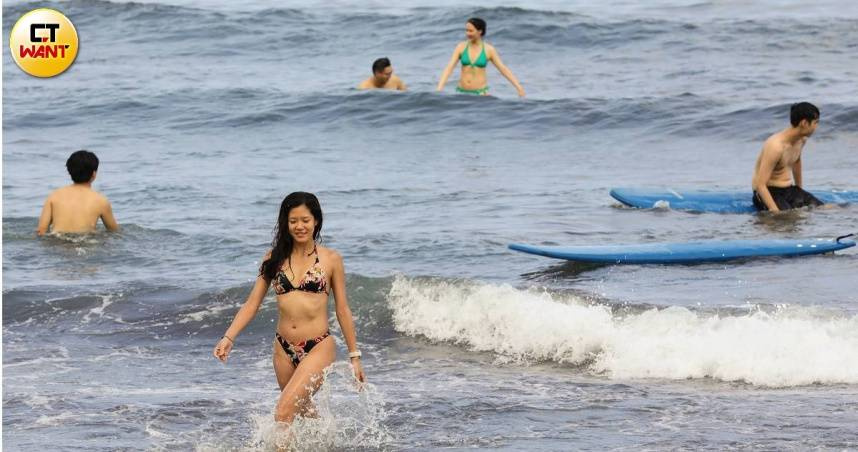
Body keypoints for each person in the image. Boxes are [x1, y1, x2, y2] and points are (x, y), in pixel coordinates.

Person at [213, 192, 365, 431]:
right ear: (285, 223)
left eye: (305, 220)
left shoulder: (331, 259)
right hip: (283, 348)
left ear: (316, 221)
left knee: (283, 411)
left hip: (318, 346)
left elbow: (343, 309)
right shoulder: (274, 258)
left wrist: (354, 356)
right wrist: (228, 337)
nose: (299, 226)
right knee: (299, 412)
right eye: (293, 221)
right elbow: (252, 303)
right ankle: (326, 443)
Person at [751, 102, 823, 212]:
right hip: (768, 191)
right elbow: (760, 185)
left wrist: (799, 191)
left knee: (824, 208)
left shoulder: (801, 140)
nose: (817, 127)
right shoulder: (775, 146)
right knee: (787, 217)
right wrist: (775, 211)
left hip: (788, 189)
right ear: (804, 123)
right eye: (815, 122)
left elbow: (797, 161)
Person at [36, 149, 119, 235]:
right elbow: (114, 231)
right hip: (85, 241)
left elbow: (41, 230)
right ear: (94, 174)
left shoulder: (54, 196)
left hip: (58, 240)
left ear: (69, 172)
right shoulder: (101, 201)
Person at [436, 17, 525, 97]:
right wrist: (439, 88)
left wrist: (519, 88)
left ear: (480, 31)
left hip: (480, 94)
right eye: (466, 30)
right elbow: (449, 67)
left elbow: (503, 69)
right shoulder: (461, 47)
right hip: (461, 93)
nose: (467, 33)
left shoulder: (489, 49)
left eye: (471, 31)